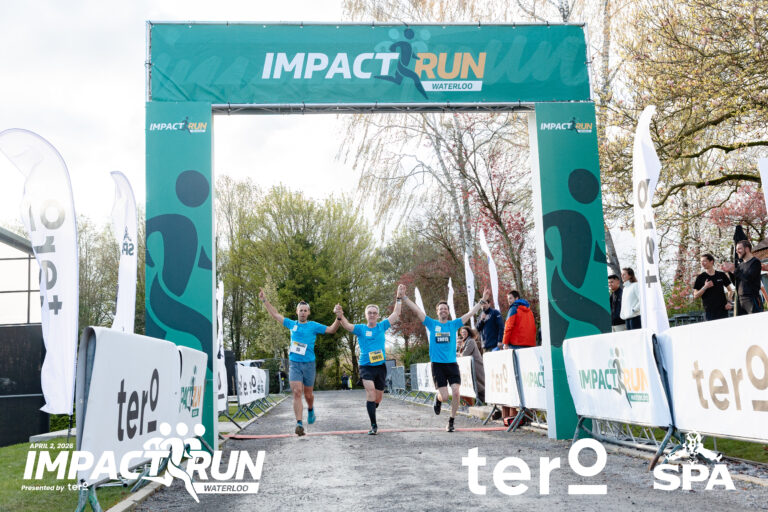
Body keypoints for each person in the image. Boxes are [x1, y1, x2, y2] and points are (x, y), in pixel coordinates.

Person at [402, 286, 491, 432]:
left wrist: (482, 300)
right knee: (444, 397)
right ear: (437, 312)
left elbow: (470, 313)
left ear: (448, 312)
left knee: (456, 392)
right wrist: (405, 297)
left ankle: (451, 421)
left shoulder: (453, 324)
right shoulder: (432, 324)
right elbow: (417, 311)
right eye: (440, 309)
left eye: (445, 309)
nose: (443, 310)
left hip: (452, 364)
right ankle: (437, 399)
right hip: (437, 365)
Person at [259, 289, 340, 436]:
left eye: (305, 310)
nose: (303, 312)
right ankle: (299, 424)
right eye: (300, 310)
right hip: (295, 364)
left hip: (309, 364)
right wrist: (265, 300)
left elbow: (331, 330)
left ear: (308, 313)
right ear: (297, 312)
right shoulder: (291, 324)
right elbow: (275, 314)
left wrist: (338, 317)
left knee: (308, 395)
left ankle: (310, 409)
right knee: (297, 392)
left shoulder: (313, 325)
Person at [334, 284, 404, 435]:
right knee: (370, 392)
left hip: (380, 367)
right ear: (366, 315)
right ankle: (374, 425)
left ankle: (373, 406)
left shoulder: (382, 326)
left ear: (377, 315)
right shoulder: (361, 328)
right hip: (365, 366)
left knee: (378, 398)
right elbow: (347, 325)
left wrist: (399, 297)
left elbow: (396, 314)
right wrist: (340, 315)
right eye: (369, 313)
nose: (372, 315)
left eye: (374, 313)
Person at [500, 290, 536, 423]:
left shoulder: (513, 309)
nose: (509, 301)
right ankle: (529, 414)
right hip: (529, 345)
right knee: (527, 380)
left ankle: (516, 413)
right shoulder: (529, 310)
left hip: (515, 345)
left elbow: (508, 326)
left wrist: (505, 343)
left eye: (510, 298)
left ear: (516, 298)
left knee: (515, 380)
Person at [721, 240, 763, 314]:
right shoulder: (740, 265)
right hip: (740, 300)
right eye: (736, 250)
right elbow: (736, 283)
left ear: (747, 249)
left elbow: (748, 278)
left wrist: (734, 270)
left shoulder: (755, 262)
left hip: (752, 299)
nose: (737, 251)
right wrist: (730, 271)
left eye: (739, 249)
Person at [693, 254, 734, 321]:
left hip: (723, 310)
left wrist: (729, 302)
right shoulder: (700, 277)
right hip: (709, 312)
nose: (702, 263)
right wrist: (705, 287)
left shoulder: (721, 275)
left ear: (711, 261)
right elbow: (695, 295)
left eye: (704, 261)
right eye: (701, 262)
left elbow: (730, 290)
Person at [457, 326, 485, 404]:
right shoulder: (464, 342)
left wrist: (456, 354)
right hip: (470, 367)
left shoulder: (471, 341)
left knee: (479, 385)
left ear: (468, 333)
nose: (463, 334)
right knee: (474, 386)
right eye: (462, 332)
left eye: (465, 332)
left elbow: (464, 354)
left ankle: (483, 403)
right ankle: (477, 403)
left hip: (476, 366)